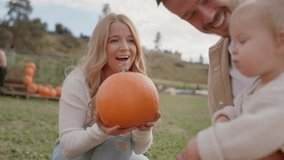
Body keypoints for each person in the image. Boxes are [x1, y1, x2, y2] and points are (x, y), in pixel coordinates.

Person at [154, 0, 284, 159]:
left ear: (280, 40)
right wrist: (225, 117)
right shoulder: (232, 68)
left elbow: (262, 128)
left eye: (206, 0)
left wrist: (202, 147)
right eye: (191, 15)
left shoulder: (278, 89)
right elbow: (241, 107)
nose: (208, 17)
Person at [51, 13, 160, 160]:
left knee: (130, 150)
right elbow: (69, 148)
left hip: (116, 152)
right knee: (116, 141)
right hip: (75, 156)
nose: (125, 47)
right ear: (100, 45)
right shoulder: (78, 80)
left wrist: (144, 130)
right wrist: (102, 131)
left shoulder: (139, 85)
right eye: (114, 40)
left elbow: (139, 149)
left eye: (131, 40)